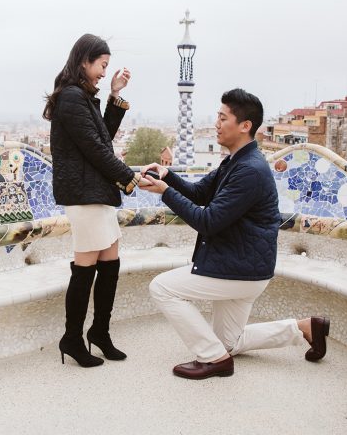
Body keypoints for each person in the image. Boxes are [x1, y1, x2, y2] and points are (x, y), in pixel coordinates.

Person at [140, 88, 330, 379]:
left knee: (162, 288)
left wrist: (165, 192)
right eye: (217, 116)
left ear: (245, 126)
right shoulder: (235, 161)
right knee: (228, 342)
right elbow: (200, 193)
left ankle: (214, 360)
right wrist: (169, 176)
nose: (216, 123)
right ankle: (304, 328)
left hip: (238, 269)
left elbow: (208, 221)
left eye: (222, 117)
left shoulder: (249, 170)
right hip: (242, 265)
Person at [43, 34, 147, 368]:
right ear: (85, 61)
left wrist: (115, 95)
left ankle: (99, 331)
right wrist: (129, 177)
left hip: (95, 192)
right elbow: (97, 149)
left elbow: (102, 135)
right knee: (86, 266)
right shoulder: (72, 98)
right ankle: (72, 337)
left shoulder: (81, 97)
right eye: (102, 65)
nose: (104, 72)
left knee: (110, 260)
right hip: (84, 194)